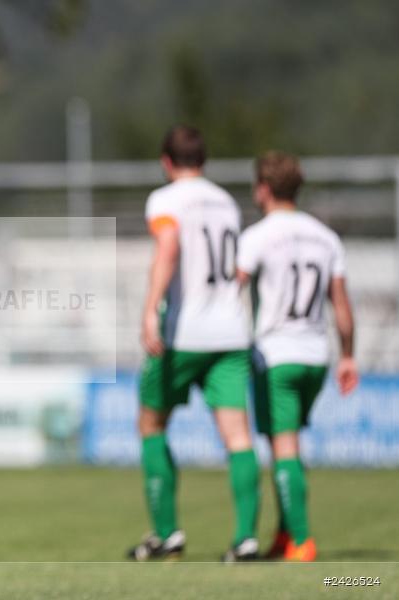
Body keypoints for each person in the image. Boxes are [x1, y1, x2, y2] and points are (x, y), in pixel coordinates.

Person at [128, 125, 260, 562]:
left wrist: (150, 309)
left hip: (185, 333)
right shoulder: (225, 201)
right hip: (232, 332)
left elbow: (168, 247)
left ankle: (167, 534)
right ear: (203, 161)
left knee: (151, 424)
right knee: (238, 437)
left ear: (166, 162)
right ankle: (245, 539)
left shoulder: (166, 200)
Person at [236, 151, 359, 562]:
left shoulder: (257, 236)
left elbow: (232, 287)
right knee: (287, 444)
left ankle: (302, 541)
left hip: (276, 354)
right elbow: (340, 305)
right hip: (316, 356)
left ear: (264, 189)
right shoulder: (326, 237)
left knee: (283, 446)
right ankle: (286, 535)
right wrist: (348, 357)